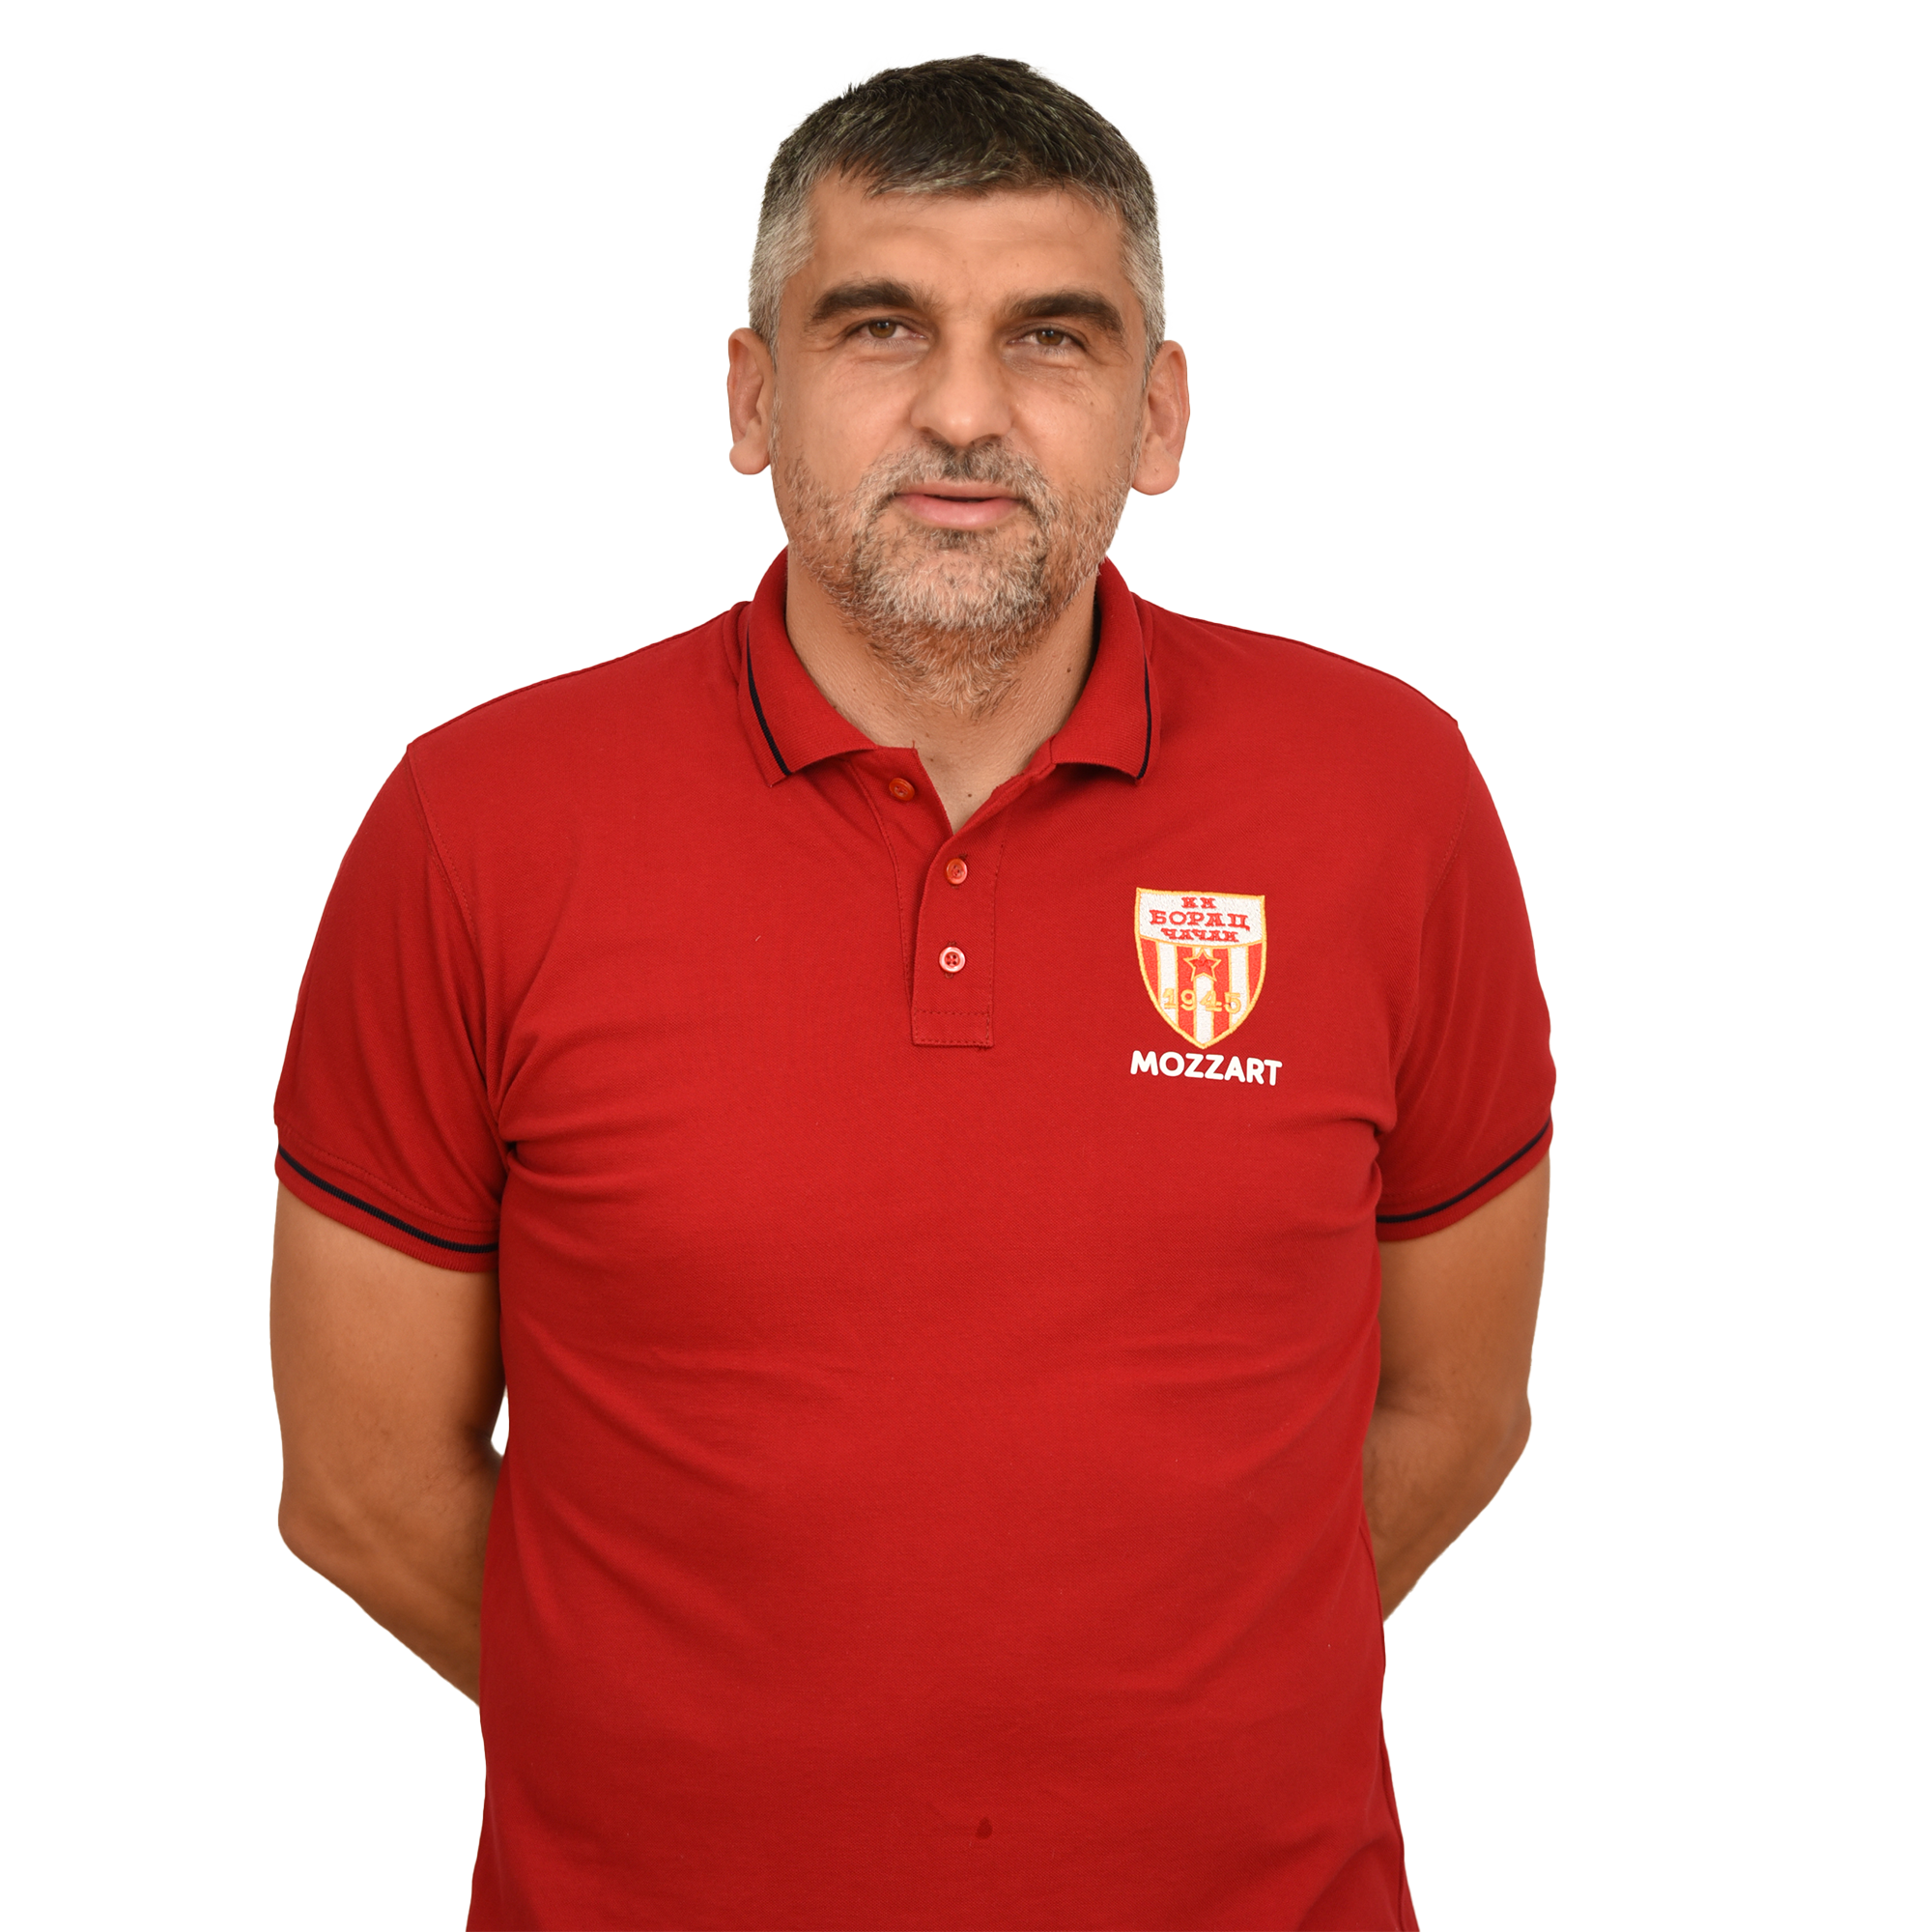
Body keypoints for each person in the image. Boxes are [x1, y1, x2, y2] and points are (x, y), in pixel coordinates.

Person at [271, 52, 1552, 1932]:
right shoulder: (479, 825)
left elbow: (1458, 1403)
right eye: (879, 327)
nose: (963, 410)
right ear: (752, 394)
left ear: (1157, 411)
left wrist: (1181, 1714)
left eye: (1052, 336)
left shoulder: (1387, 796)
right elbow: (362, 1481)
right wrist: (686, 1742)